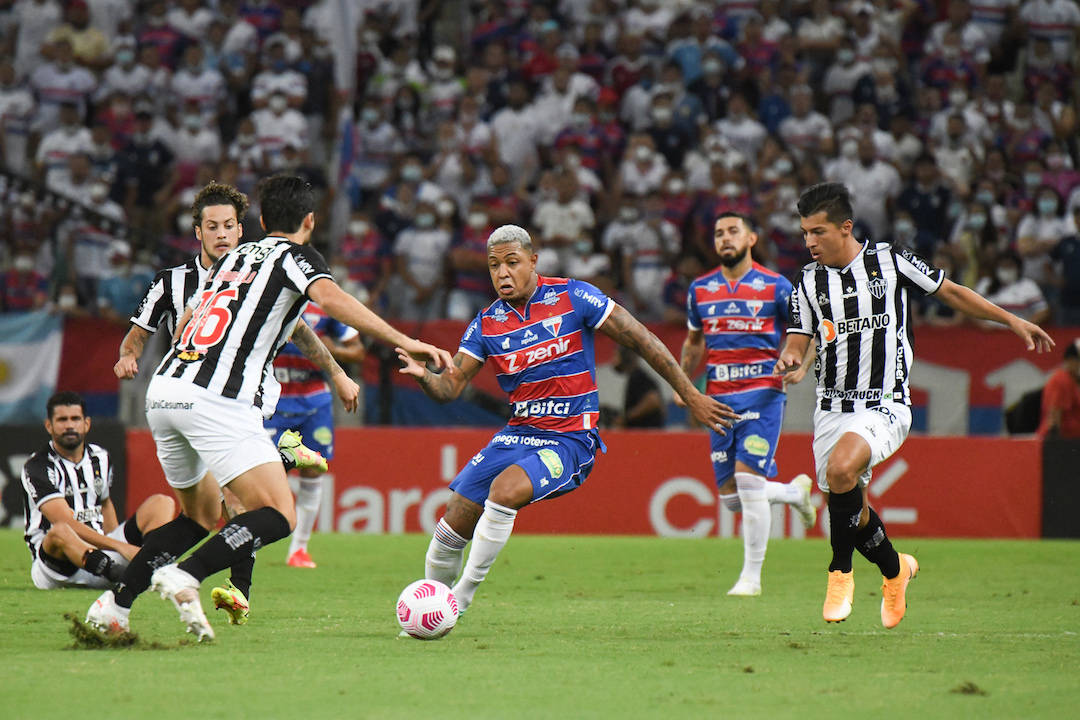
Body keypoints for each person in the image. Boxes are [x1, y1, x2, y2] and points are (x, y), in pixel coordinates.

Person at [96, 175, 452, 642]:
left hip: (165, 391)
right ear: (310, 221)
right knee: (279, 513)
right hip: (215, 401)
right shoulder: (295, 258)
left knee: (198, 519)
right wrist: (407, 341)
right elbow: (331, 300)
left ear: (259, 222)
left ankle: (114, 607)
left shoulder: (234, 259)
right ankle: (188, 575)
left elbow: (197, 319)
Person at [398, 225, 737, 616]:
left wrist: (691, 394)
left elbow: (640, 337)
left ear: (533, 261)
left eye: (512, 263)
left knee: (504, 491)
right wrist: (425, 377)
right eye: (494, 266)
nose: (502, 274)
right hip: (518, 434)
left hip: (570, 440)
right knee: (456, 513)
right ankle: (429, 612)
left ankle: (460, 598)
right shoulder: (487, 323)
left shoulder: (574, 296)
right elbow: (450, 388)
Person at [776, 183, 1053, 628]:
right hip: (831, 409)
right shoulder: (808, 281)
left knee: (841, 472)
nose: (809, 242)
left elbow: (953, 292)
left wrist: (1010, 319)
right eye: (805, 232)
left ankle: (839, 574)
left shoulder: (892, 260)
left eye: (818, 232)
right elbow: (798, 336)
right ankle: (895, 570)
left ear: (846, 227)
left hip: (885, 403)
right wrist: (791, 357)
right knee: (850, 507)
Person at [86, 181, 357, 634]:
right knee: (255, 507)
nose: (223, 235)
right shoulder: (174, 282)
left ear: (244, 228)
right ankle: (199, 579)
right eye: (213, 227)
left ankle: (123, 606)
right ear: (198, 232)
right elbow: (141, 335)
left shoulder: (254, 268)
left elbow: (299, 328)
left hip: (212, 401)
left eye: (230, 225)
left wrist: (335, 371)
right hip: (208, 402)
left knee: (211, 514)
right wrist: (128, 355)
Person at [678, 212, 816, 597]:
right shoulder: (700, 289)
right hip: (718, 398)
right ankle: (791, 493)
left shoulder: (776, 286)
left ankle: (751, 579)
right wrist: (685, 382)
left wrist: (802, 367)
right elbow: (693, 343)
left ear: (751, 238)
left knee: (749, 482)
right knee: (732, 499)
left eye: (733, 231)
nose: (725, 238)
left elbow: (806, 330)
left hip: (763, 393)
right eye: (719, 232)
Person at [22, 391, 175, 590]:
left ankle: (153, 563)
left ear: (86, 423)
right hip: (58, 567)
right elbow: (63, 521)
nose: (70, 425)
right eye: (62, 420)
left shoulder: (100, 457)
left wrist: (113, 540)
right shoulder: (38, 465)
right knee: (60, 530)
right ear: (49, 426)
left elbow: (105, 503)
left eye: (75, 419)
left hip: (101, 554)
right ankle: (122, 574)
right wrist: (121, 547)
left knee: (162, 503)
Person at [265, 301, 366, 568]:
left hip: (314, 403)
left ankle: (299, 549)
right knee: (267, 475)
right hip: (273, 402)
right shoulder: (270, 298)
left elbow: (358, 351)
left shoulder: (324, 306)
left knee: (314, 470)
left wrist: (332, 350)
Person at [1038, 339, 1080, 439]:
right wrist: (1057, 446)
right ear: (1070, 360)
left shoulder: (1073, 381)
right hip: (1063, 443)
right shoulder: (1061, 380)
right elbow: (1054, 415)